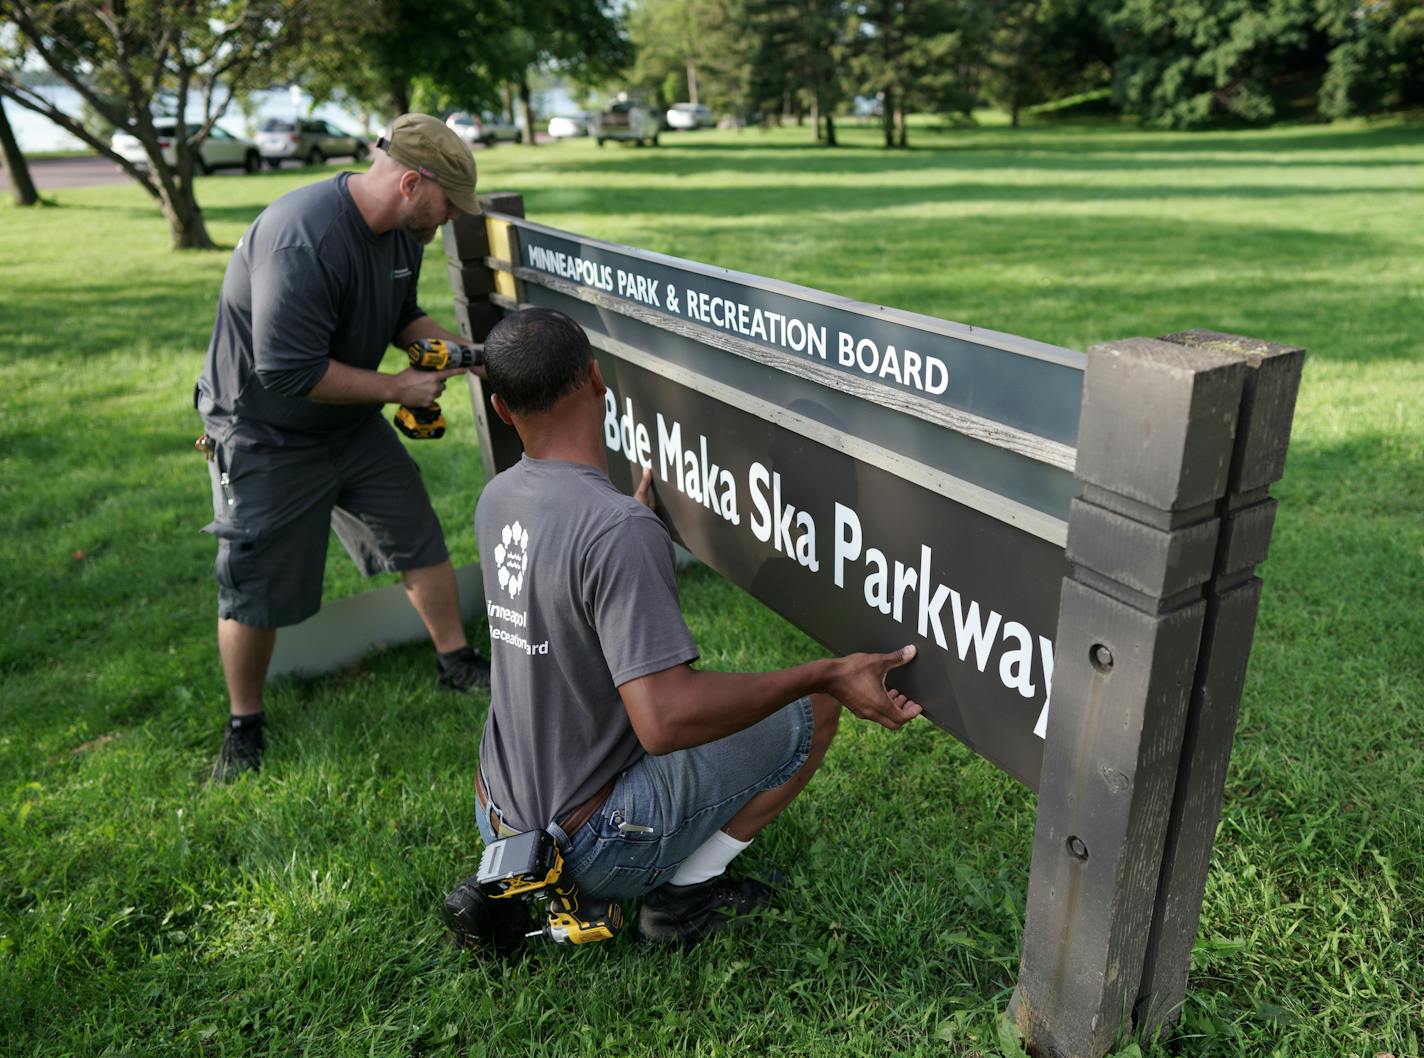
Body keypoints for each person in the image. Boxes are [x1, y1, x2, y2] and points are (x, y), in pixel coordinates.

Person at [442, 308, 923, 948]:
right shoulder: (616, 531)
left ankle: (544, 879)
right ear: (595, 378)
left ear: (501, 409)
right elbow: (664, 722)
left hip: (498, 819)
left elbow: (565, 583)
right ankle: (682, 899)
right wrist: (826, 673)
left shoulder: (498, 497)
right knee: (814, 711)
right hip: (591, 840)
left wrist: (628, 533)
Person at [196, 113, 490, 782]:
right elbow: (289, 370)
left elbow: (401, 315)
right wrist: (397, 388)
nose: (447, 219)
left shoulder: (402, 232)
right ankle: (245, 724)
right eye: (447, 204)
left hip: (348, 424)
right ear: (413, 183)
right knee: (254, 583)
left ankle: (456, 662)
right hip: (264, 434)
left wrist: (476, 357)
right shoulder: (302, 239)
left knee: (416, 534)